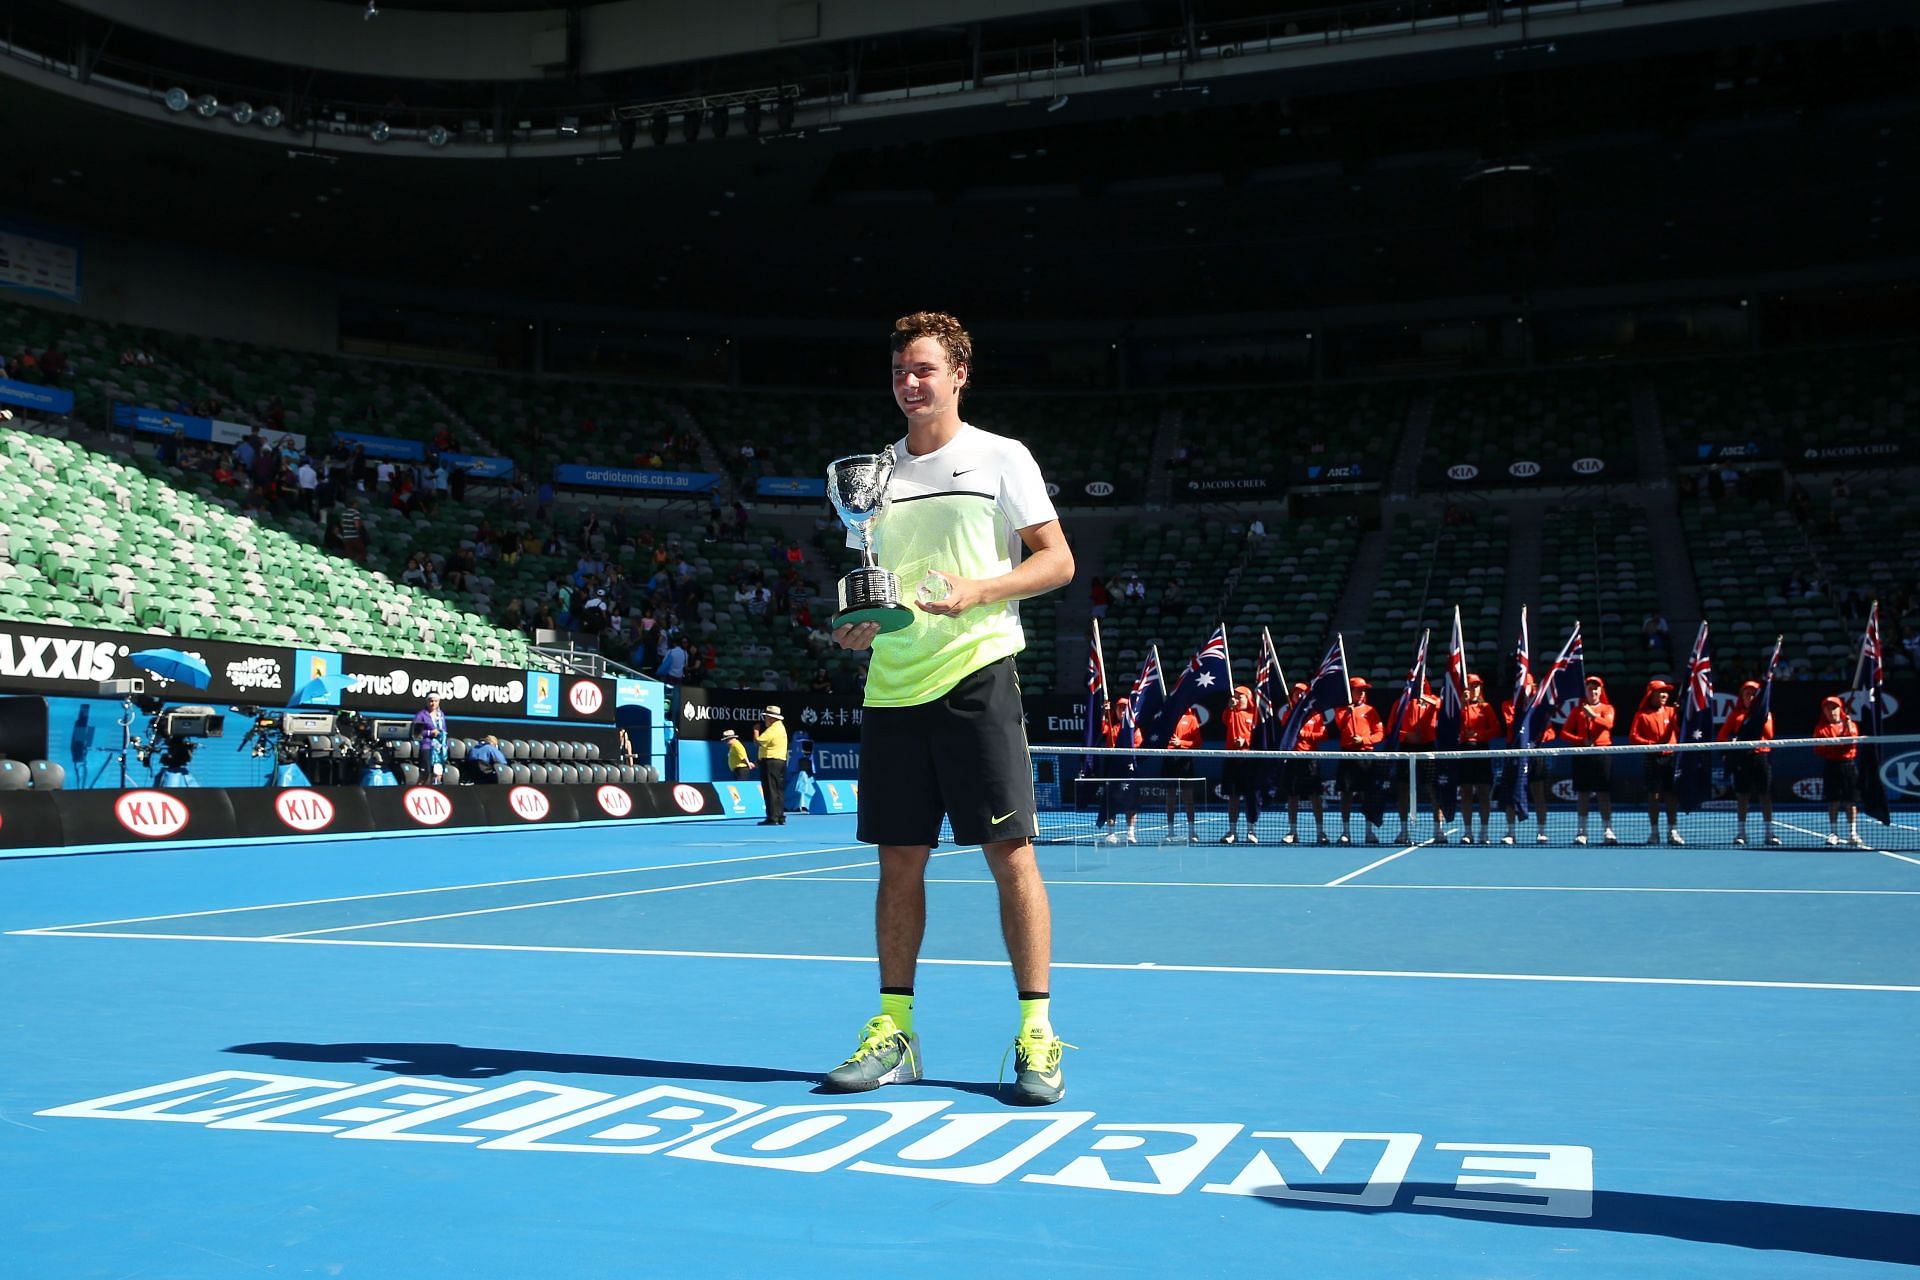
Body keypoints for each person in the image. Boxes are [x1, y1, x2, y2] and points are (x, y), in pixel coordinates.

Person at [823, 310, 1075, 1106]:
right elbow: (876, 578)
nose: (910, 384)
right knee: (898, 862)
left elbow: (1058, 560)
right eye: (900, 371)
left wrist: (981, 590)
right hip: (892, 686)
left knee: (1012, 858)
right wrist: (858, 629)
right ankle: (895, 1032)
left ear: (959, 374)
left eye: (925, 370)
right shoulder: (873, 477)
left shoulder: (1002, 457)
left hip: (977, 675)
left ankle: (1037, 1038)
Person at [1718, 679, 1777, 847]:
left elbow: (1769, 734)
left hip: (1760, 758)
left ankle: (1769, 833)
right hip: (1741, 759)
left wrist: (1760, 718)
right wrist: (1730, 747)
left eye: (1753, 694)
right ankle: (1741, 833)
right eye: (1747, 694)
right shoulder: (1735, 715)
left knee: (1764, 795)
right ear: (1741, 696)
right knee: (1742, 797)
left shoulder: (1765, 714)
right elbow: (1722, 736)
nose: (1750, 697)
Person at [1560, 675, 1617, 846]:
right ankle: (1582, 831)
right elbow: (1564, 733)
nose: (1593, 691)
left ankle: (1608, 830)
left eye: (1596, 688)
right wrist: (1580, 741)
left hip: (1602, 753)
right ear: (1586, 690)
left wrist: (1592, 715)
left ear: (1600, 691)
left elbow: (1609, 725)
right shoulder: (1577, 711)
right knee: (1583, 794)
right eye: (1590, 688)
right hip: (1582, 755)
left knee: (1603, 794)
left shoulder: (1608, 708)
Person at [1628, 679, 1683, 845]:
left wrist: (1679, 716)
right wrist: (1651, 745)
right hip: (1652, 758)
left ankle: (1673, 831)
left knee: (1671, 795)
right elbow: (1633, 737)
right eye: (1660, 692)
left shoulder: (1673, 712)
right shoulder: (1642, 715)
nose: (1664, 695)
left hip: (1671, 758)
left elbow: (1682, 730)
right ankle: (1654, 832)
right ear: (1651, 695)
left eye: (1666, 692)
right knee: (1654, 795)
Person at [1812, 695, 1867, 848]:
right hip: (1831, 766)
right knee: (1833, 801)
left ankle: (1853, 833)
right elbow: (1819, 749)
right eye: (1828, 708)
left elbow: (1852, 742)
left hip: (1848, 766)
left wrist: (1847, 726)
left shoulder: (1851, 724)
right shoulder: (1821, 728)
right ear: (1824, 711)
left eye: (1834, 708)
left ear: (1840, 709)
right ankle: (1834, 832)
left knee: (1851, 801)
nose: (1831, 711)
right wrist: (1836, 747)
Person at [1280, 681, 1329, 845]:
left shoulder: (1315, 714)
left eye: (1302, 692)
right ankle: (1293, 832)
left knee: (1315, 796)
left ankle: (1320, 832)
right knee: (1292, 796)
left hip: (1310, 759)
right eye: (1296, 693)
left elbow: (1323, 734)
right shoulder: (1288, 714)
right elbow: (1286, 732)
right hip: (1293, 759)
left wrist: (1305, 733)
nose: (1299, 695)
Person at [1456, 674, 1503, 844]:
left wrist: (1479, 735)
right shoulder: (1459, 707)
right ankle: (1467, 832)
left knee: (1484, 793)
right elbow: (1452, 727)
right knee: (1466, 792)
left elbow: (1496, 730)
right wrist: (1462, 705)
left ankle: (1484, 832)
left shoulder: (1486, 707)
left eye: (1477, 685)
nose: (1474, 689)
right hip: (1464, 751)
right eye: (1471, 685)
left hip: (1482, 751)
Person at [1395, 680, 1439, 844]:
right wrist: (1405, 735)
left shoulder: (1433, 700)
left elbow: (1440, 706)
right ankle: (1404, 830)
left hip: (1428, 747)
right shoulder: (1402, 703)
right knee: (1403, 789)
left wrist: (1423, 697)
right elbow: (1393, 727)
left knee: (1434, 788)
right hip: (1406, 747)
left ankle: (1438, 830)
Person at [1096, 695, 1141, 846]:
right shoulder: (1111, 727)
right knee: (1111, 801)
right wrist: (1104, 713)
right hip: (1113, 768)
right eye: (1119, 708)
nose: (1122, 710)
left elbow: (1138, 745)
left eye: (1124, 708)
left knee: (1131, 801)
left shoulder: (1134, 730)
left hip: (1128, 769)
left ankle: (1130, 833)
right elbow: (1101, 730)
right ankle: (1110, 833)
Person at [1220, 685, 1261, 844]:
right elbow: (1225, 719)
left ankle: (1251, 831)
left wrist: (1246, 741)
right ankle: (1232, 832)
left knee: (1250, 797)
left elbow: (1259, 738)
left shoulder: (1255, 715)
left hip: (1250, 759)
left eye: (1240, 696)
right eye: (1234, 696)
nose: (1236, 699)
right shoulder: (1231, 713)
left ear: (1248, 698)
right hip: (1232, 759)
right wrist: (1230, 707)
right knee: (1233, 797)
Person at [1162, 703, 1205, 844]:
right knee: (1170, 798)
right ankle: (1170, 831)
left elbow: (1197, 742)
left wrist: (1181, 742)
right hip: (1169, 760)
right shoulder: (1167, 717)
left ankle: (1192, 831)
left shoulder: (1192, 719)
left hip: (1185, 761)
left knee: (1188, 798)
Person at [753, 707, 787, 825]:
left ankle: (772, 817)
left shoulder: (773, 729)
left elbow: (758, 742)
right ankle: (780, 816)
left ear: (771, 718)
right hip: (780, 761)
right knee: (778, 790)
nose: (764, 719)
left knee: (770, 790)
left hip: (771, 762)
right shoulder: (781, 727)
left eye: (766, 717)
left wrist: (756, 731)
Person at [412, 692, 449, 785]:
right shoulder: (421, 715)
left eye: (436, 701)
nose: (433, 703)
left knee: (438, 773)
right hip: (427, 746)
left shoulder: (441, 715)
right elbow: (416, 733)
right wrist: (430, 733)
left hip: (439, 748)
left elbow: (444, 729)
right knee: (426, 773)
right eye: (431, 701)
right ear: (427, 702)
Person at [791, 730, 818, 814]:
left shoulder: (810, 757)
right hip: (796, 774)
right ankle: (799, 804)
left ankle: (807, 804)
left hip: (808, 775)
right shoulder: (796, 754)